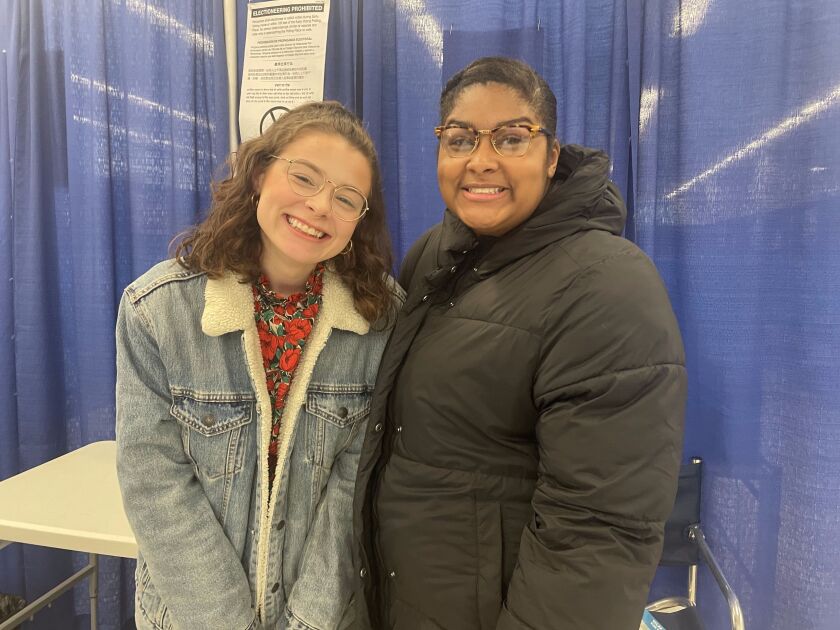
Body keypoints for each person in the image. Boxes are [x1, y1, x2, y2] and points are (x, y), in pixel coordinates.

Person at [351, 57, 687, 629]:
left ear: (552, 156)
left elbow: (598, 533)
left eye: (512, 137)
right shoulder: (435, 252)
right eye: (459, 139)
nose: (481, 161)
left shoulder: (608, 285)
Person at [116, 101, 399, 630]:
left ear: (359, 222)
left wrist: (308, 622)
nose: (319, 206)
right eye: (304, 177)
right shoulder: (157, 310)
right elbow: (155, 483)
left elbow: (354, 490)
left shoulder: (379, 320)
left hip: (324, 615)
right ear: (260, 173)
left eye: (345, 198)